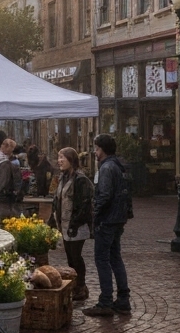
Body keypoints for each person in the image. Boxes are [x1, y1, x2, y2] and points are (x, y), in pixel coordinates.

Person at [83, 134, 132, 317]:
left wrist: (95, 215)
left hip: (107, 220)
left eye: (96, 149)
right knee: (115, 257)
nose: (95, 152)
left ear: (102, 149)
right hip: (118, 218)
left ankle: (105, 301)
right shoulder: (118, 166)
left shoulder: (107, 168)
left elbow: (104, 195)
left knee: (102, 259)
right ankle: (123, 299)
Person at [52, 147, 94, 302]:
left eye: (63, 157)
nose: (60, 160)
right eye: (59, 157)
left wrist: (74, 223)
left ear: (71, 160)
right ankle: (77, 286)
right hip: (65, 224)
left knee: (76, 257)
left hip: (76, 226)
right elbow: (58, 200)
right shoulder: (63, 177)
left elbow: (84, 205)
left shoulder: (80, 179)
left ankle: (81, 286)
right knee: (70, 257)